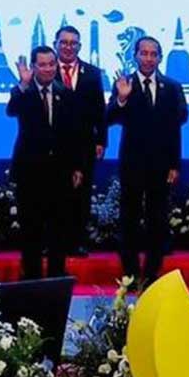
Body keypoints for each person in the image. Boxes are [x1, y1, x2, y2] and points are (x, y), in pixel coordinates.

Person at [106, 36, 188, 285]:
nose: (149, 58)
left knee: (158, 220)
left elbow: (178, 123)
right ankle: (130, 273)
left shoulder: (172, 87)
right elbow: (109, 117)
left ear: (160, 58)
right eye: (144, 53)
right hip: (132, 162)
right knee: (129, 219)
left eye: (154, 54)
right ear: (136, 56)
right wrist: (121, 99)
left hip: (162, 165)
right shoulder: (124, 83)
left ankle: (152, 274)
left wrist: (174, 164)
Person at [7, 47, 85, 279]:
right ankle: (31, 280)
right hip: (29, 173)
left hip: (59, 173)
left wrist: (77, 166)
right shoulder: (24, 92)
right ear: (33, 67)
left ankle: (56, 279)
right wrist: (22, 84)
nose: (48, 69)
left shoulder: (66, 93)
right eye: (42, 64)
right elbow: (12, 110)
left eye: (52, 64)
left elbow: (75, 133)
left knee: (58, 231)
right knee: (31, 230)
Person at [53, 26, 106, 257]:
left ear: (80, 46)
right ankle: (52, 242)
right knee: (52, 194)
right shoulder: (45, 69)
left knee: (81, 194)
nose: (68, 47)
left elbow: (100, 110)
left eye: (73, 43)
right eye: (63, 42)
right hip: (51, 145)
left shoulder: (92, 74)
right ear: (56, 44)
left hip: (84, 143)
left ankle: (77, 241)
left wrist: (101, 140)